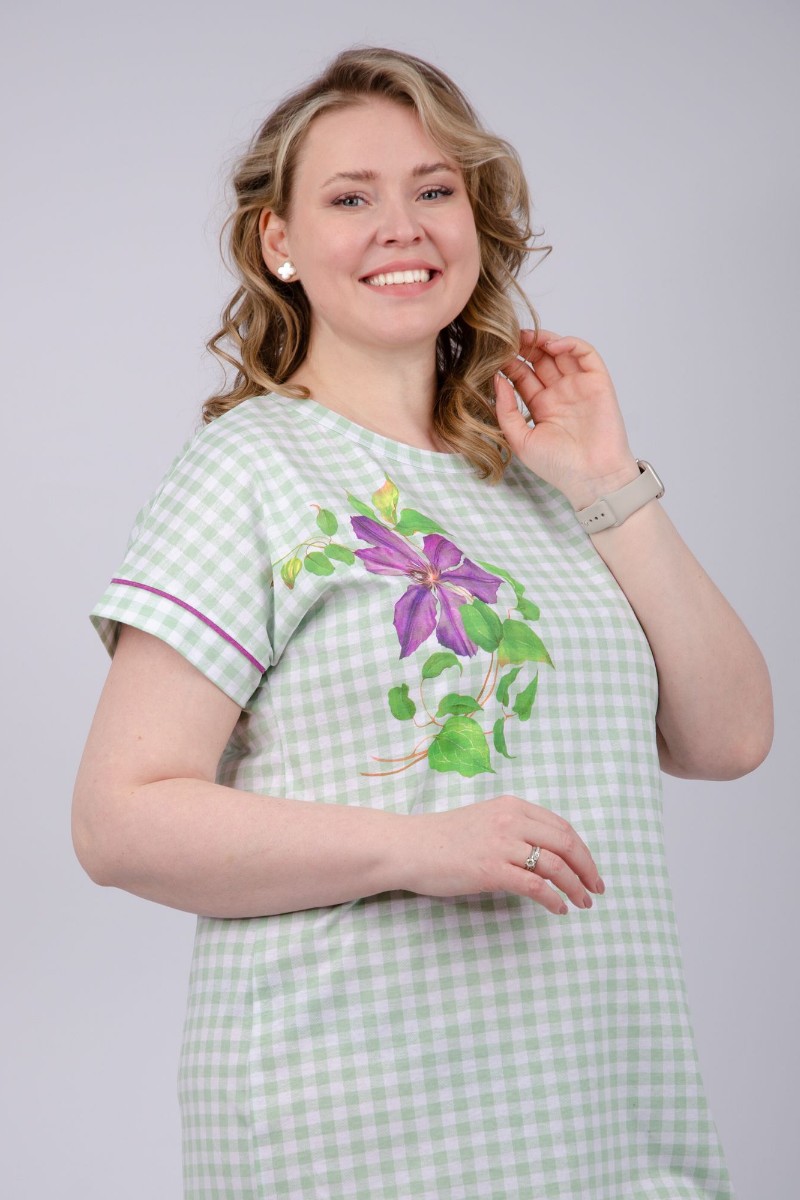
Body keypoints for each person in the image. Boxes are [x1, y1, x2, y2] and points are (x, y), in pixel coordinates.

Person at [72, 45, 773, 1199]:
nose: (400, 226)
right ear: (279, 242)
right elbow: (118, 820)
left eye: (432, 189)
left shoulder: (543, 479)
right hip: (359, 1126)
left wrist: (606, 478)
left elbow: (729, 735)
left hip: (601, 1117)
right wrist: (419, 845)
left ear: (474, 220)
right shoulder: (250, 466)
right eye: (350, 198)